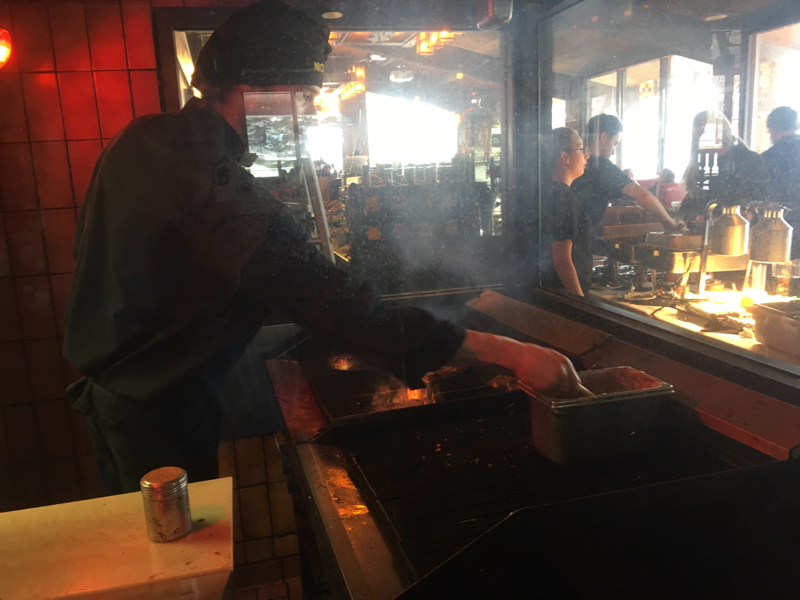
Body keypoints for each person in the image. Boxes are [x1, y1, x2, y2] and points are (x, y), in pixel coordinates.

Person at [63, 0, 587, 495]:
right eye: (302, 97)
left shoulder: (144, 138)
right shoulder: (217, 191)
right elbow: (344, 309)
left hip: (118, 395)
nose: (306, 115)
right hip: (158, 412)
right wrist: (512, 352)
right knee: (175, 556)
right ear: (251, 87)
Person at [572, 114, 684, 233]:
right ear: (603, 137)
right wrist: (671, 224)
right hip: (580, 238)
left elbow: (586, 208)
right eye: (615, 143)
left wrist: (631, 210)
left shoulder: (574, 162)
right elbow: (643, 196)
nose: (613, 152)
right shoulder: (600, 165)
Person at [548, 128, 591, 296]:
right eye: (581, 149)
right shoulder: (562, 197)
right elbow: (562, 260)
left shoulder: (549, 191)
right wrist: (580, 304)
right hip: (564, 296)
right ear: (565, 157)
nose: (587, 155)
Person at [762, 106, 800, 258]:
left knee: (781, 267)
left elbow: (764, 193)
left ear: (772, 130)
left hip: (781, 226)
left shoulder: (769, 158)